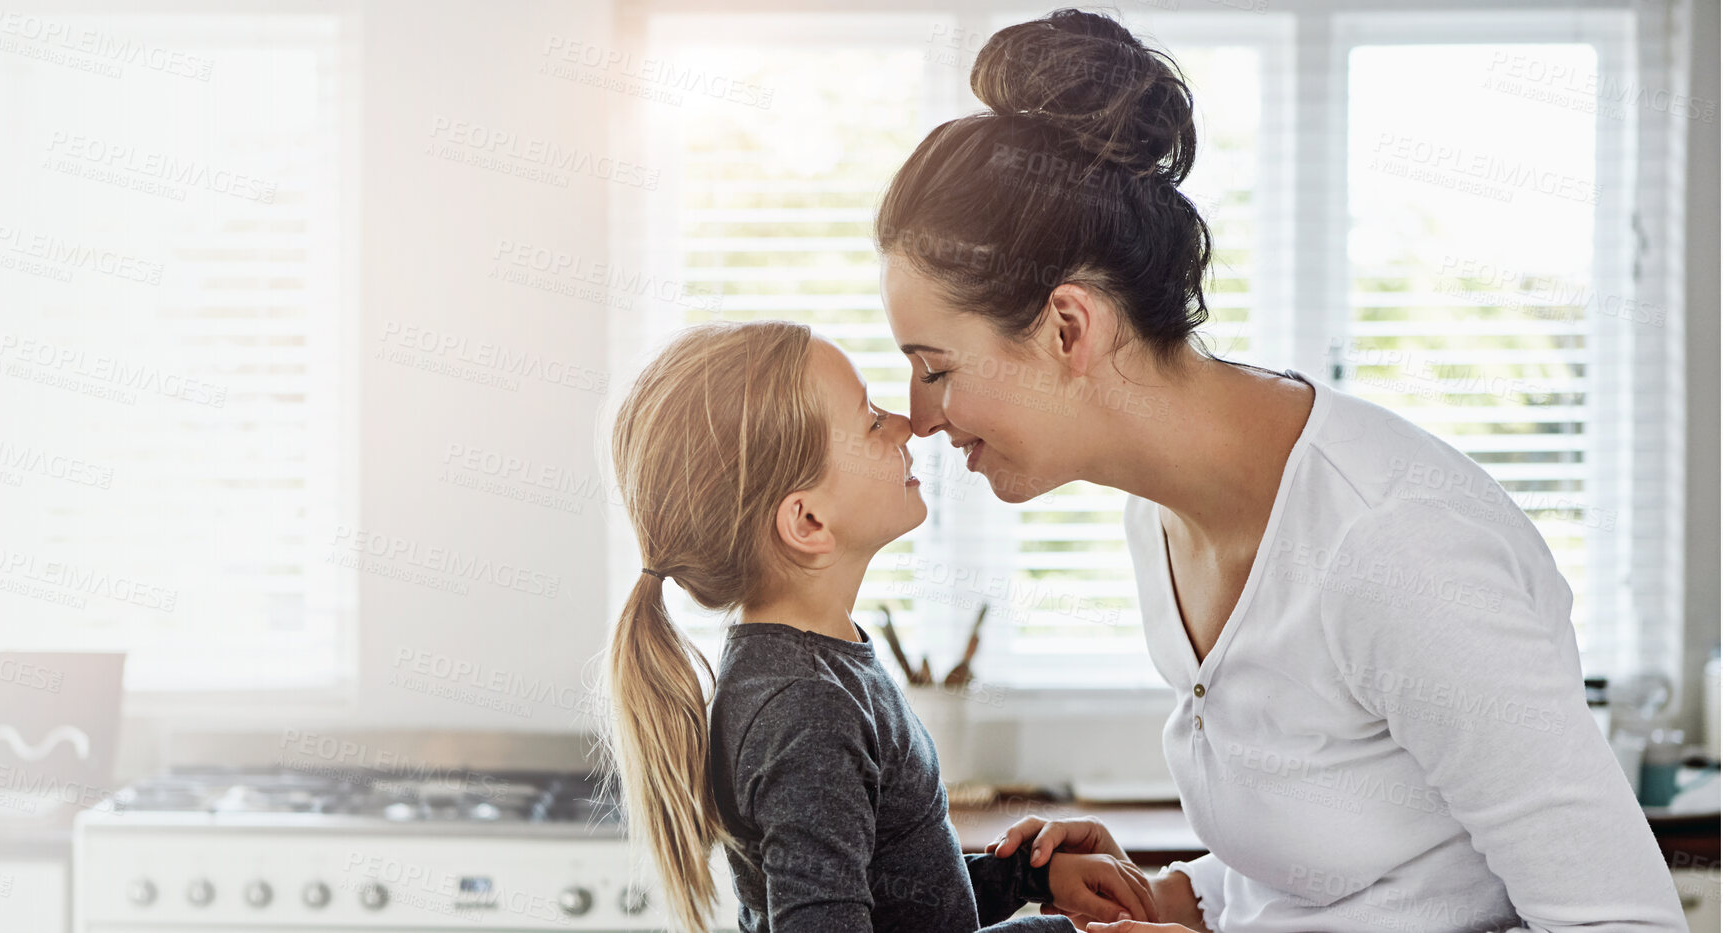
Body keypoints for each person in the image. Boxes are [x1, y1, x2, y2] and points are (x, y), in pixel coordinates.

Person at [872, 8, 1686, 933]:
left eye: (936, 367)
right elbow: (1370, 858)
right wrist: (1177, 893)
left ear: (1069, 327)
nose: (919, 415)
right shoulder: (1162, 518)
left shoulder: (1396, 544)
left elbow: (1624, 923)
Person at [602, 320, 1154, 933]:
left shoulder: (817, 669)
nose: (906, 424)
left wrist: (1027, 877)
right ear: (808, 522)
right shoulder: (807, 708)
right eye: (869, 421)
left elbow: (897, 901)